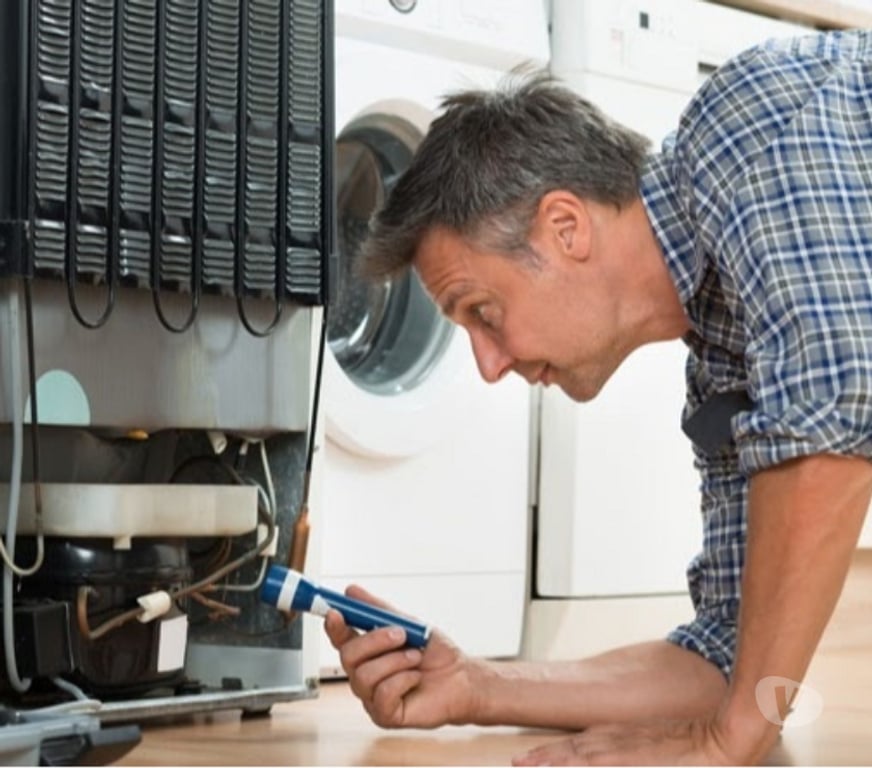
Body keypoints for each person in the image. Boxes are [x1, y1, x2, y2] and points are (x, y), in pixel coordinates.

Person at [324, 29, 872, 766]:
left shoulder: (748, 127)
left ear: (565, 228)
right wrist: (479, 686)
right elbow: (729, 664)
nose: (488, 365)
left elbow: (834, 402)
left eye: (481, 311)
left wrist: (725, 745)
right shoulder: (727, 364)